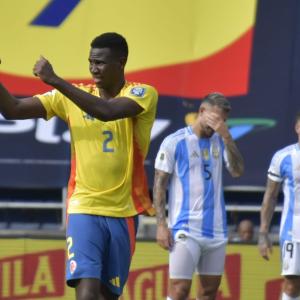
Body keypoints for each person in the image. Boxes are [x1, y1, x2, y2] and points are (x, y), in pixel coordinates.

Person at [0, 32, 158, 300]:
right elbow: (13, 109)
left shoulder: (142, 94)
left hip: (124, 211)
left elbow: (107, 112)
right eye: (90, 62)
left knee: (109, 295)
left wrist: (55, 80)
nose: (94, 69)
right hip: (83, 206)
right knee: (86, 293)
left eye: (100, 63)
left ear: (121, 62)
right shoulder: (71, 96)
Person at [153, 93, 244, 300]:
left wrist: (227, 136)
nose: (218, 124)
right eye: (215, 118)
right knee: (179, 290)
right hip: (185, 227)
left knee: (209, 292)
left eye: (223, 121)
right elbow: (159, 183)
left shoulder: (222, 141)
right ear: (201, 112)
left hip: (216, 230)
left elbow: (237, 171)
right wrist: (161, 224)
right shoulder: (175, 141)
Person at [259, 112, 300, 300]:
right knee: (292, 283)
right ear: (297, 127)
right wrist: (263, 233)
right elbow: (271, 195)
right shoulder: (283, 157)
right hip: (293, 231)